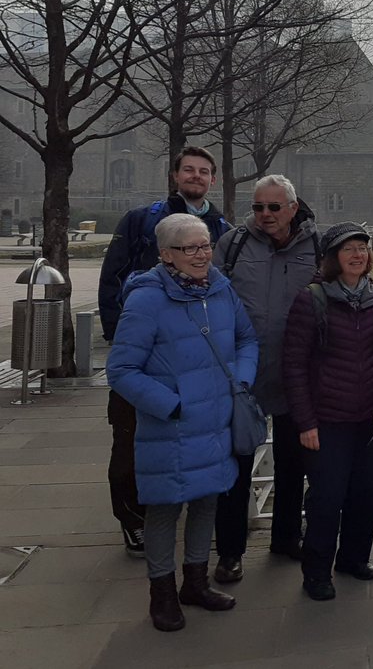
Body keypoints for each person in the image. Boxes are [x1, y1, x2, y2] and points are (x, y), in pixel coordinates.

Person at [105, 214, 258, 632]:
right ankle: (163, 593)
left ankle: (195, 581)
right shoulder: (147, 299)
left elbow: (246, 339)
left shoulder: (221, 289)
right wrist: (171, 405)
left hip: (216, 421)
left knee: (207, 501)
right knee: (164, 511)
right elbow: (121, 369)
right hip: (171, 427)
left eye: (205, 245)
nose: (201, 255)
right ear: (166, 254)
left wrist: (241, 382)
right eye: (189, 248)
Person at [98, 145, 233, 558]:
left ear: (213, 179)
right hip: (146, 358)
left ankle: (189, 525)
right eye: (188, 170)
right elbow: (111, 280)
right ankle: (134, 521)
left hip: (198, 360)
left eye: (204, 171)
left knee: (194, 445)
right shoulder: (142, 219)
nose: (196, 176)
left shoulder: (223, 228)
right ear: (175, 175)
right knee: (131, 444)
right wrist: (125, 339)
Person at [282, 223, 373, 601]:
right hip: (327, 419)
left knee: (367, 493)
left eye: (363, 249)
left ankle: (354, 558)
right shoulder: (312, 299)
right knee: (327, 498)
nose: (358, 255)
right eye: (349, 249)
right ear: (333, 257)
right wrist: (305, 421)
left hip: (370, 418)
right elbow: (294, 365)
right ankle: (317, 571)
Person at [210, 175, 321, 583]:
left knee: (294, 465)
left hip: (296, 373)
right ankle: (230, 552)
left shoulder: (317, 245)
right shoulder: (233, 245)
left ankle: (287, 537)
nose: (265, 215)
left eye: (274, 207)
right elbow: (212, 298)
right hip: (244, 374)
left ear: (293, 207)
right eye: (258, 207)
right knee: (236, 468)